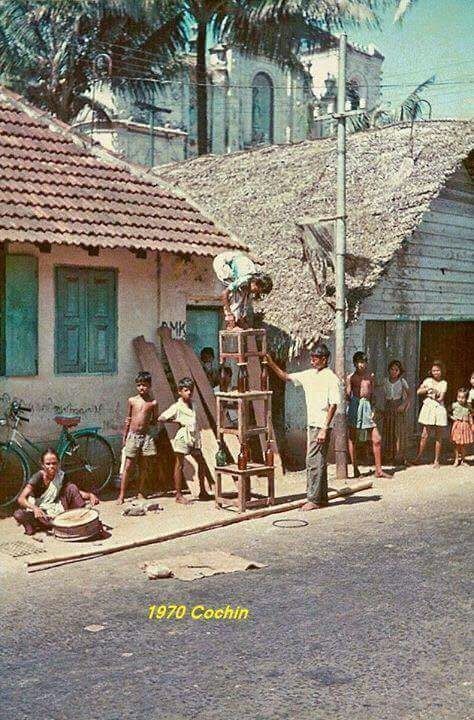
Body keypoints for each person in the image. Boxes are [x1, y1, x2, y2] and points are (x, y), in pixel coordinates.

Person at [265, 344, 340, 511]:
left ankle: (313, 498)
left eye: (316, 358)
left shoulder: (331, 378)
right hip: (312, 424)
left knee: (313, 461)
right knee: (318, 461)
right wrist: (270, 363)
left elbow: (333, 405)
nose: (312, 361)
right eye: (311, 357)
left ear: (324, 359)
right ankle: (322, 497)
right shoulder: (309, 375)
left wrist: (324, 428)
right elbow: (285, 376)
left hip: (321, 425)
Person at [14, 448, 99, 536]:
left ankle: (81, 521)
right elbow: (21, 499)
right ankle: (46, 525)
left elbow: (74, 491)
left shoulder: (61, 475)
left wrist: (90, 495)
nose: (51, 466)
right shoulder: (37, 477)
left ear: (58, 463)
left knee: (72, 487)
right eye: (48, 464)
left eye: (54, 463)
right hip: (40, 513)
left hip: (56, 510)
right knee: (19, 514)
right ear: (42, 465)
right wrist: (35, 508)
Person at [159, 377, 210, 504]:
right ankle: (178, 495)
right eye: (186, 390)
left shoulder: (194, 404)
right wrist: (177, 421)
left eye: (191, 390)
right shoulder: (177, 406)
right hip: (183, 437)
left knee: (201, 463)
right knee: (179, 465)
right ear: (180, 391)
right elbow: (161, 418)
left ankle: (202, 491)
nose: (189, 392)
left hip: (194, 437)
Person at [117, 371, 158, 504]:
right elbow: (128, 419)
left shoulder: (153, 403)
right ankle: (121, 495)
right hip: (132, 436)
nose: (142, 388)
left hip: (146, 436)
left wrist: (151, 434)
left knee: (144, 465)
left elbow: (154, 420)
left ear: (150, 386)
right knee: (128, 466)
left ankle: (140, 492)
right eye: (139, 385)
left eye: (145, 385)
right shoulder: (132, 400)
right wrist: (125, 436)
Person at [347, 352, 390, 479]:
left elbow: (372, 394)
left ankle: (378, 470)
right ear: (355, 363)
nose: (362, 365)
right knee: (353, 438)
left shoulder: (370, 376)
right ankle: (355, 469)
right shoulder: (351, 377)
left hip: (367, 407)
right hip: (355, 405)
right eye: (360, 362)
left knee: (377, 438)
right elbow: (347, 395)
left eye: (364, 362)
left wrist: (373, 409)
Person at [213, 251, 273, 330]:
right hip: (221, 263)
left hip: (234, 259)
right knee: (237, 294)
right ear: (255, 282)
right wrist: (229, 313)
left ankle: (240, 319)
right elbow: (224, 294)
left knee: (244, 292)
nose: (255, 292)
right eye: (257, 290)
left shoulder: (252, 278)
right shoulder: (244, 280)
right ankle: (231, 324)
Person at [411, 360, 448, 468]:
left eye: (437, 370)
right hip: (428, 407)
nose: (435, 373)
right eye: (433, 371)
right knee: (424, 434)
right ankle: (418, 457)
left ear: (441, 371)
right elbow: (418, 392)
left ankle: (436, 460)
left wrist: (435, 394)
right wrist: (428, 389)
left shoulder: (443, 383)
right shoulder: (428, 380)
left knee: (438, 435)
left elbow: (441, 398)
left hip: (439, 408)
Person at [381, 360, 411, 465]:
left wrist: (403, 405)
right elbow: (376, 387)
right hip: (388, 407)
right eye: (392, 369)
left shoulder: (402, 381)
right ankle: (389, 456)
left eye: (396, 370)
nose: (394, 372)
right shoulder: (385, 381)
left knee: (398, 432)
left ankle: (399, 457)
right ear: (389, 370)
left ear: (399, 371)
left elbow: (409, 395)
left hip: (398, 407)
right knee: (389, 431)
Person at [450, 388, 473, 466]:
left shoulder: (468, 406)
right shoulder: (454, 405)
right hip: (457, 425)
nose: (460, 399)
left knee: (463, 445)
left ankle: (463, 460)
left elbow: (470, 416)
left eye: (463, 397)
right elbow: (448, 413)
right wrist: (452, 417)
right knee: (456, 444)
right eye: (459, 397)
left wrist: (472, 425)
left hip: (465, 426)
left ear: (466, 398)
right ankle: (456, 459)